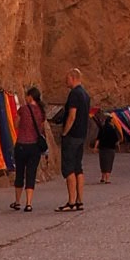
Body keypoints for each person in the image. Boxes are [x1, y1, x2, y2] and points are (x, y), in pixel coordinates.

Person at [10, 85, 48, 213]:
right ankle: (29, 203)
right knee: (31, 174)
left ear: (30, 97)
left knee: (20, 173)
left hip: (21, 145)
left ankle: (17, 202)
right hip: (34, 147)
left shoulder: (23, 109)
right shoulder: (41, 112)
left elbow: (16, 124)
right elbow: (41, 129)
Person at [56, 66, 89, 211]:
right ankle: (79, 200)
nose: (65, 81)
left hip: (72, 136)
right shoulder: (85, 95)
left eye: (67, 78)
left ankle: (71, 202)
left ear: (73, 78)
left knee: (69, 169)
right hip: (81, 135)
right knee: (78, 168)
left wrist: (64, 132)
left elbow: (72, 115)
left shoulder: (74, 94)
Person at [96, 106, 120, 184]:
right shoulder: (112, 130)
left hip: (102, 148)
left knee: (103, 163)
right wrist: (118, 146)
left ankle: (102, 177)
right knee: (109, 163)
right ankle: (107, 179)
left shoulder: (102, 128)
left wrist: (95, 147)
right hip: (110, 149)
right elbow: (116, 140)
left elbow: (98, 139)